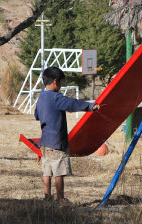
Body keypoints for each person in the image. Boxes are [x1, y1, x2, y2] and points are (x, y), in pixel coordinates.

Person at [34, 67, 100, 203]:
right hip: (57, 142)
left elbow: (36, 115)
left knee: (47, 171)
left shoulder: (41, 98)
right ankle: (60, 199)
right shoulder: (56, 97)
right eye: (61, 83)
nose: (61, 86)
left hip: (45, 143)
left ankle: (47, 197)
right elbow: (71, 104)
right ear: (55, 81)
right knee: (59, 172)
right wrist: (89, 106)